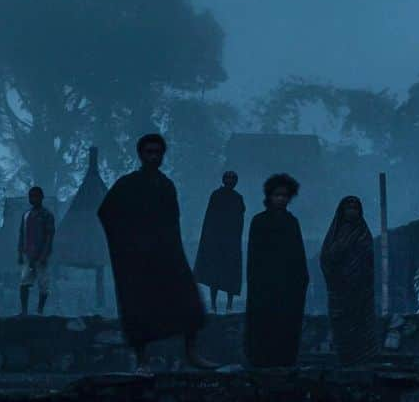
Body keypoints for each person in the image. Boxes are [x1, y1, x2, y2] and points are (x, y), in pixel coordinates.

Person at [97, 133, 217, 374]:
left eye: (157, 152)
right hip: (137, 259)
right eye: (148, 152)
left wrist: (173, 249)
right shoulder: (127, 184)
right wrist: (129, 243)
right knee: (139, 307)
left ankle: (192, 353)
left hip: (166, 254)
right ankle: (142, 360)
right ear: (140, 155)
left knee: (188, 300)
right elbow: (107, 212)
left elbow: (173, 221)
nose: (153, 157)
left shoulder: (166, 185)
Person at [244, 173, 309, 368]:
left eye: (285, 195)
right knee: (263, 323)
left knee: (287, 322)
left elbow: (298, 253)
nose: (281, 199)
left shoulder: (292, 222)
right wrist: (256, 282)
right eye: (277, 195)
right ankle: (261, 359)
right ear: (269, 197)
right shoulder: (259, 221)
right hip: (264, 282)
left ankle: (285, 359)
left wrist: (301, 279)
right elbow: (254, 255)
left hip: (288, 283)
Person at [320, 195, 377, 366]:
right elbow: (326, 257)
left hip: (360, 289)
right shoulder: (334, 233)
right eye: (348, 208)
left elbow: (368, 259)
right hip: (339, 288)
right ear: (342, 211)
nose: (351, 211)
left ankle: (363, 361)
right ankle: (344, 360)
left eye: (355, 208)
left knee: (360, 325)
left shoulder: (363, 232)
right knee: (342, 326)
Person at [194, 171, 246, 313]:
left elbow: (240, 220)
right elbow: (210, 218)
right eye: (228, 178)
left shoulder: (238, 198)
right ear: (223, 180)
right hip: (216, 240)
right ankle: (213, 305)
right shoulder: (216, 195)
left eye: (233, 179)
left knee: (230, 273)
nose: (230, 181)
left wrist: (235, 238)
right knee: (214, 274)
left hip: (231, 241)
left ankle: (229, 305)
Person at [18, 186, 55, 315]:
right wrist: (20, 253)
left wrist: (44, 255)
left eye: (35, 196)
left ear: (41, 197)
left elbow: (50, 235)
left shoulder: (47, 215)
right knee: (24, 283)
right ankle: (24, 311)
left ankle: (40, 311)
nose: (33, 199)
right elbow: (22, 234)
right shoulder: (26, 215)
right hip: (28, 254)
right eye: (31, 196)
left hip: (41, 255)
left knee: (43, 284)